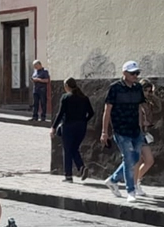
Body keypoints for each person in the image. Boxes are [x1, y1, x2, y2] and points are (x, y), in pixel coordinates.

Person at [101, 61, 149, 203]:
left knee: (134, 159)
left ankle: (113, 180)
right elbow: (107, 110)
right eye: (133, 73)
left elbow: (140, 108)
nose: (135, 75)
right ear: (124, 73)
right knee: (128, 159)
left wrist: (142, 125)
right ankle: (130, 191)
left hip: (135, 129)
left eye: (137, 73)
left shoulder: (138, 88)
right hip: (120, 130)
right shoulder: (114, 88)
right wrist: (104, 131)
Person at [50, 78, 95, 183]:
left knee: (67, 150)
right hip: (81, 127)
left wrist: (53, 127)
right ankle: (81, 167)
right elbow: (91, 112)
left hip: (68, 127)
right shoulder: (84, 98)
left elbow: (60, 114)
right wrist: (84, 120)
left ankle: (68, 176)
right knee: (74, 148)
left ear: (66, 86)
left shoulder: (66, 97)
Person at [133, 78, 158, 196]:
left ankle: (136, 182)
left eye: (149, 91)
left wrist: (153, 96)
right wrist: (143, 123)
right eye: (146, 90)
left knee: (148, 160)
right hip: (137, 133)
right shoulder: (136, 102)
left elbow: (159, 108)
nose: (148, 93)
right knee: (137, 161)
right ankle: (133, 184)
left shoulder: (148, 102)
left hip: (143, 133)